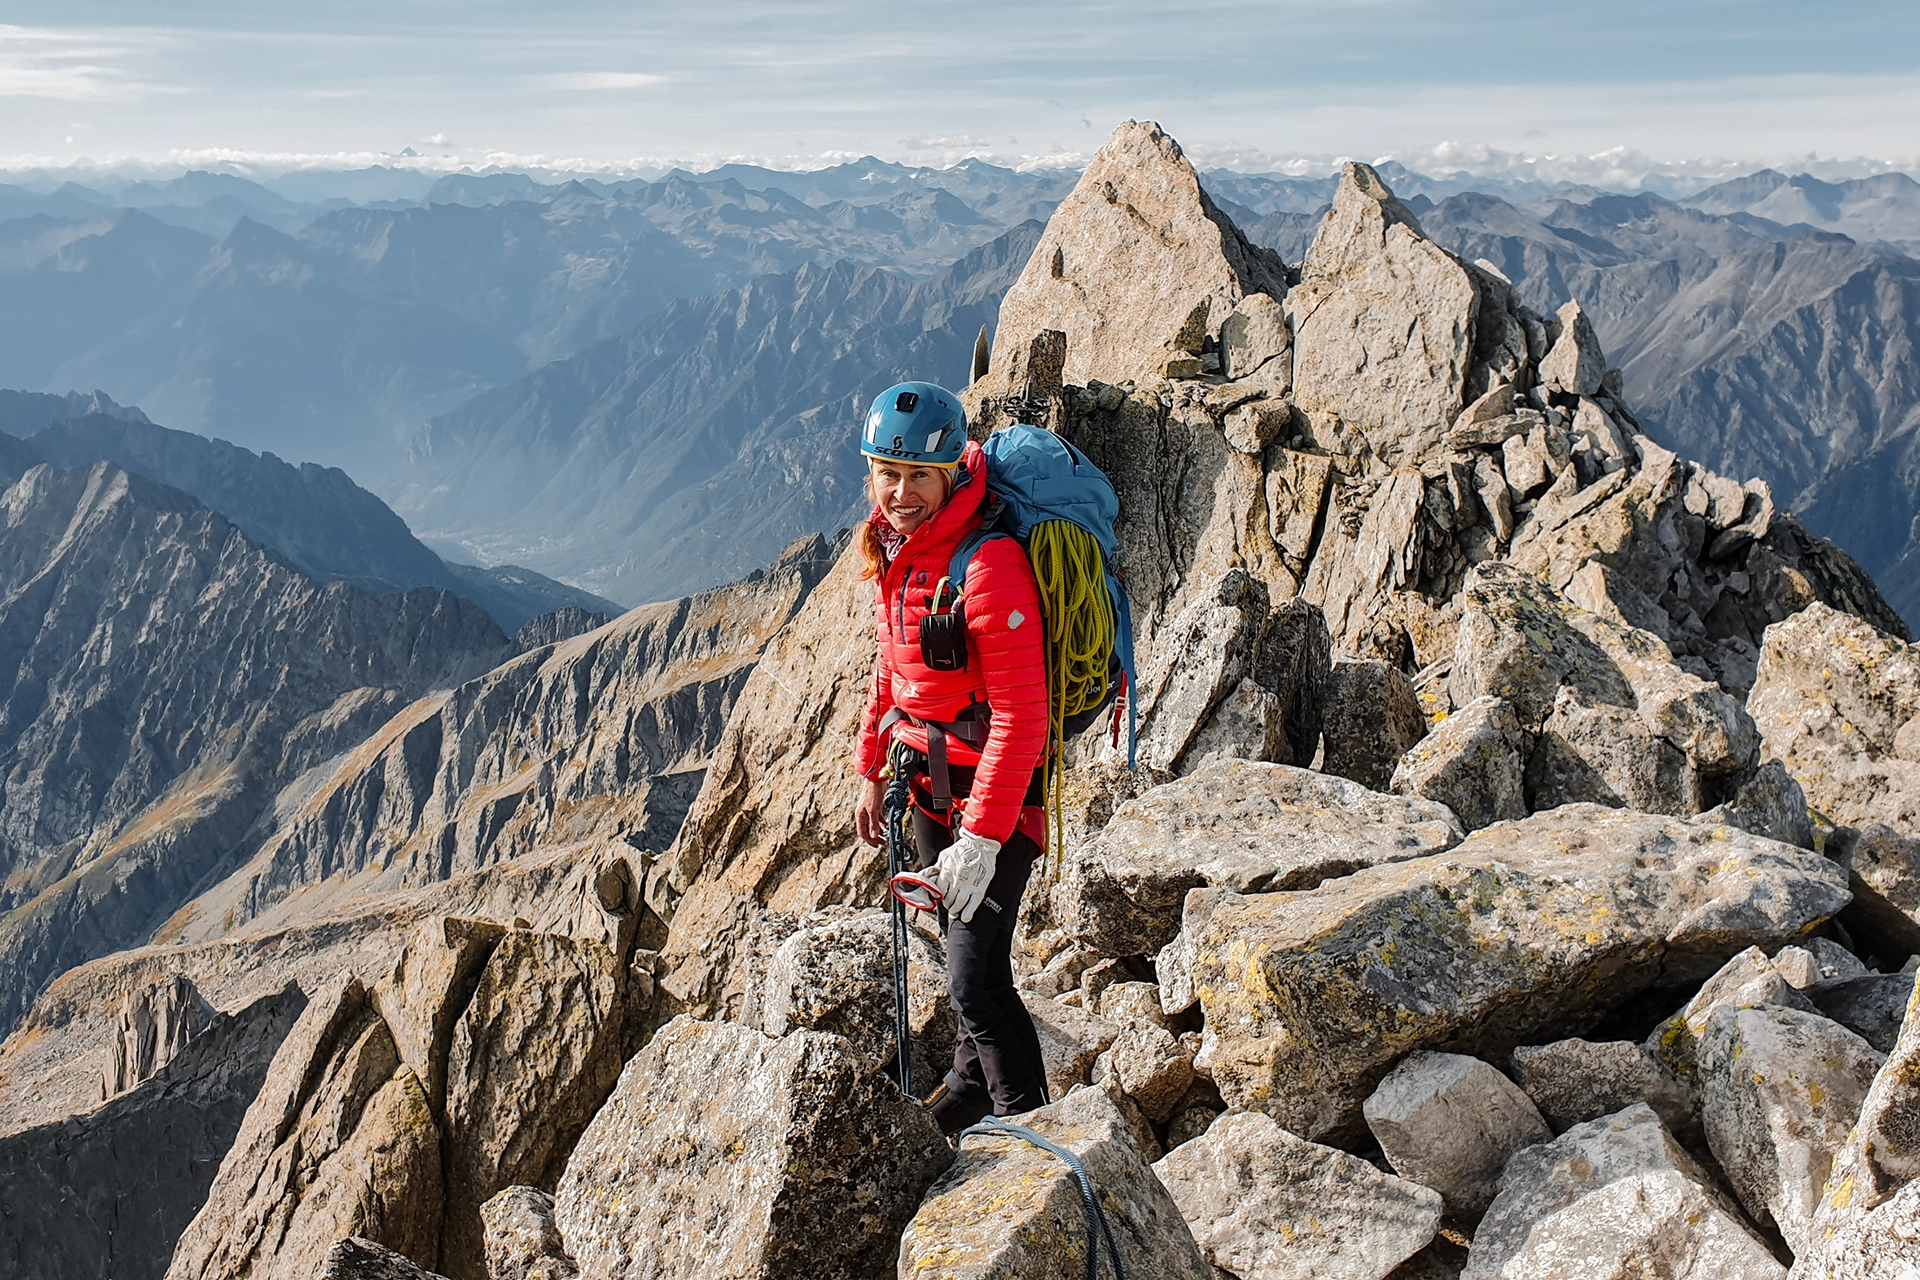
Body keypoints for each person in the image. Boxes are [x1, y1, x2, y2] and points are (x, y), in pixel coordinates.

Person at [851, 380, 1051, 1134]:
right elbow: (891, 670)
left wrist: (984, 839)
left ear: (949, 475)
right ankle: (969, 1086)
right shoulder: (900, 553)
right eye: (886, 473)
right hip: (932, 791)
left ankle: (1028, 1128)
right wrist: (871, 767)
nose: (899, 492)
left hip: (996, 805)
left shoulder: (987, 563)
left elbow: (1023, 717)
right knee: (964, 956)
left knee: (972, 978)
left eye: (917, 477)